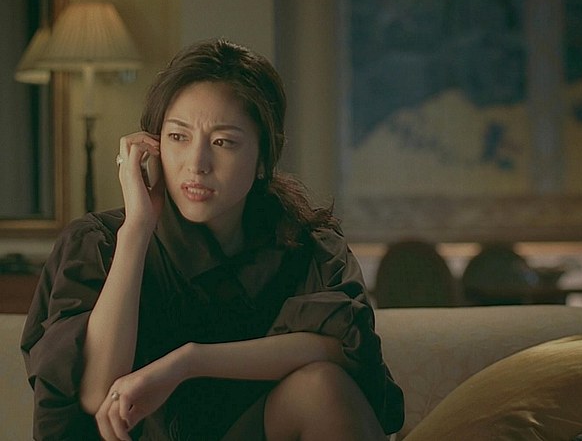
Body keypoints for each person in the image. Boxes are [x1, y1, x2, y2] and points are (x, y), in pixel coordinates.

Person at [21, 38, 404, 440]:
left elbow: (343, 347)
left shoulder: (307, 245)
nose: (197, 164)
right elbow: (97, 393)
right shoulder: (96, 244)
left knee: (321, 388)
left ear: (262, 159)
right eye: (178, 137)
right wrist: (136, 229)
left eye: (223, 142)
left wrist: (189, 362)